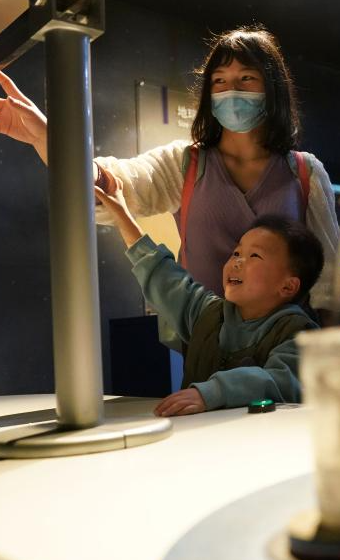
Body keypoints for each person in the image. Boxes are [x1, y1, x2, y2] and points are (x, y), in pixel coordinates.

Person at [0, 25, 340, 325]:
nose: (231, 91)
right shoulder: (184, 163)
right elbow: (112, 185)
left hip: (288, 353)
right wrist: (49, 139)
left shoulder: (305, 172)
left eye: (246, 78)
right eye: (219, 80)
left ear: (273, 88)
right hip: (206, 352)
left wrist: (329, 362)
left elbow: (330, 284)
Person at [93, 165, 322, 415]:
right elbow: (162, 275)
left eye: (254, 256)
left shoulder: (300, 334)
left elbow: (280, 380)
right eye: (237, 253)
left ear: (288, 286)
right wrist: (122, 215)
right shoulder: (207, 313)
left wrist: (214, 392)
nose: (237, 261)